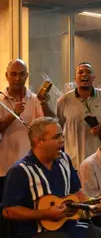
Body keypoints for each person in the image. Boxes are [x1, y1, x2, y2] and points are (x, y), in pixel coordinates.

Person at [1, 117, 101, 238]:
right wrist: (44, 214)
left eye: (62, 136)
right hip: (35, 232)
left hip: (70, 226)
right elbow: (8, 211)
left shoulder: (64, 160)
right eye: (56, 137)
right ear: (38, 142)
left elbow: (77, 193)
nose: (62, 141)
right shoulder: (20, 171)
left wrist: (96, 202)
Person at [0, 59, 53, 201]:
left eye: (22, 74)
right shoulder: (0, 99)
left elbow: (46, 126)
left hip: (30, 169)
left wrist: (45, 105)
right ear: (6, 75)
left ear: (27, 75)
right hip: (4, 168)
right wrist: (12, 115)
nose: (18, 78)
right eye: (14, 74)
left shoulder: (34, 99)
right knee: (6, 212)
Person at [56, 62, 101, 169]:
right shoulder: (64, 100)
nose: (84, 74)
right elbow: (57, 128)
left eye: (88, 72)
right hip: (75, 163)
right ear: (75, 78)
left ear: (94, 77)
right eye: (80, 72)